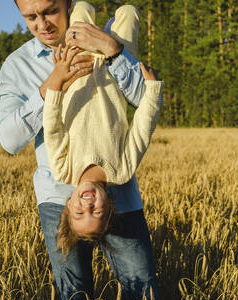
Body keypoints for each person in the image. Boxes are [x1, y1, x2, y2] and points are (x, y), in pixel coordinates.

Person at [0, 0, 161, 300]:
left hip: (119, 195)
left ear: (70, 5)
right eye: (30, 17)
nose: (42, 24)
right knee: (75, 297)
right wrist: (51, 87)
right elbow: (9, 141)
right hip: (56, 194)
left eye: (50, 11)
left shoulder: (107, 41)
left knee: (142, 291)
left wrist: (113, 51)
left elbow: (148, 101)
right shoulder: (18, 65)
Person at [42, 2, 163, 254]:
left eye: (79, 212)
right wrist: (152, 91)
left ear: (68, 204)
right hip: (114, 69)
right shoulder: (121, 172)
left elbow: (52, 128)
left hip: (78, 66)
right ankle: (111, 28)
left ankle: (100, 26)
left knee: (83, 6)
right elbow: (142, 129)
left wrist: (56, 80)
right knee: (129, 12)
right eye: (95, 211)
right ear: (109, 206)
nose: (87, 204)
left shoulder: (63, 171)